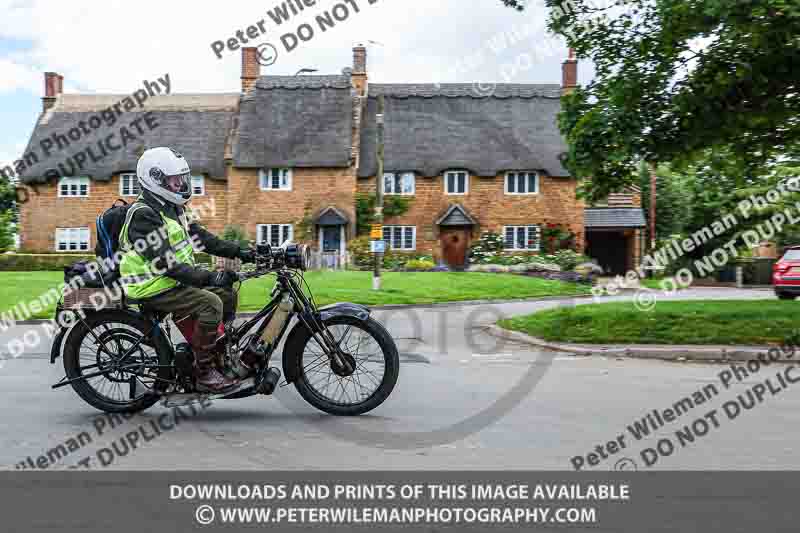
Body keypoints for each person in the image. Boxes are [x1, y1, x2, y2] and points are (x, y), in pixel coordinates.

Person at [118, 147, 255, 392]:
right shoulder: (144, 215)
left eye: (182, 179)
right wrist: (212, 276)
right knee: (211, 303)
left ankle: (216, 351)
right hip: (151, 285)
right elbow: (166, 265)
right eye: (174, 180)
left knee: (227, 294)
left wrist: (241, 252)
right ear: (155, 180)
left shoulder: (173, 208)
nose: (181, 184)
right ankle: (203, 372)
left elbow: (202, 239)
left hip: (169, 281)